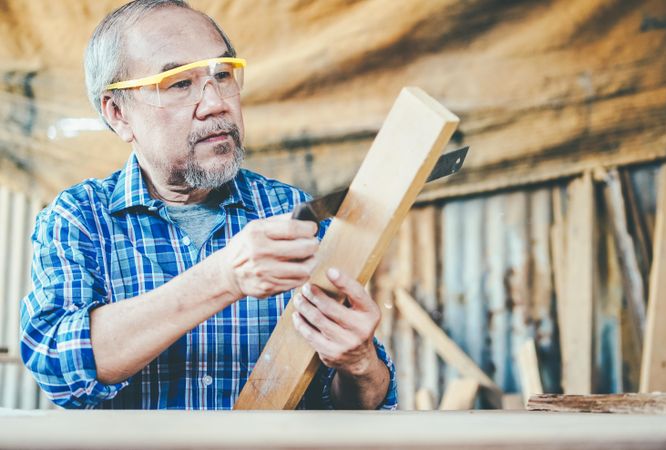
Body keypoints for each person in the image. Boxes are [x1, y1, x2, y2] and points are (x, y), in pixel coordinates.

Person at [20, 0, 397, 410]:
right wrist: (222, 276)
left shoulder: (293, 213)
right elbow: (57, 367)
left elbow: (352, 405)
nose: (216, 103)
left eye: (223, 74)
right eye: (179, 83)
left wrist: (359, 364)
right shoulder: (79, 217)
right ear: (118, 114)